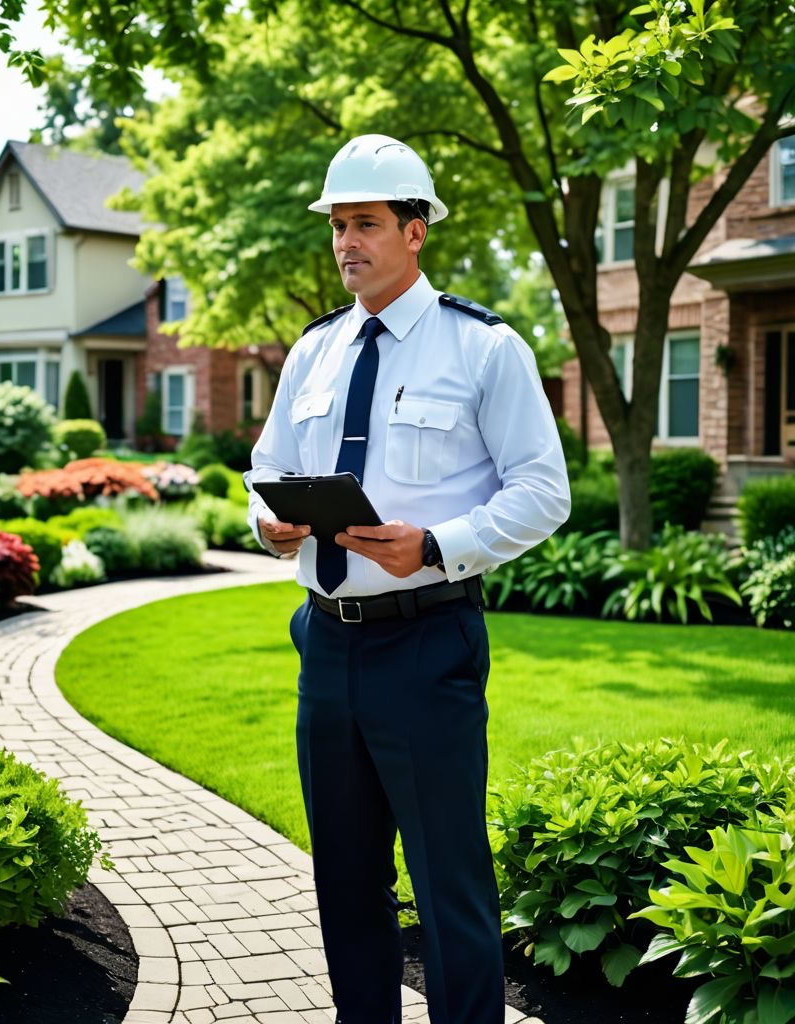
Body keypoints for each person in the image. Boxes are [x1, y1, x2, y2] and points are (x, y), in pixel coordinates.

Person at [245, 134, 571, 1024]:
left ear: (415, 230)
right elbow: (264, 464)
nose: (348, 241)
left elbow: (545, 493)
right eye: (338, 225)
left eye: (367, 224)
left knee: (449, 884)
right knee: (345, 880)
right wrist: (267, 525)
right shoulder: (313, 352)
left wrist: (432, 546)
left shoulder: (483, 347)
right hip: (325, 646)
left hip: (429, 645)